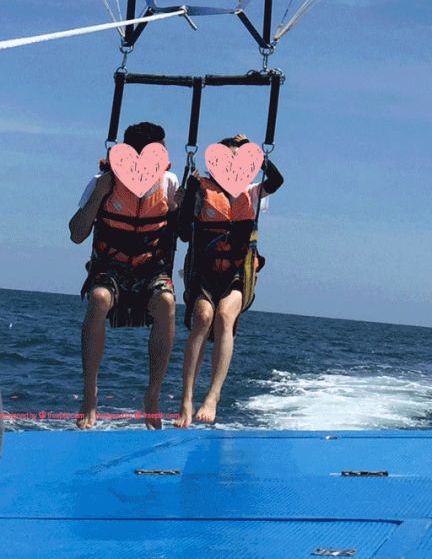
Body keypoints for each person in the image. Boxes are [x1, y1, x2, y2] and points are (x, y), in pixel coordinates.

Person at [68, 120, 180, 430]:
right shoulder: (101, 181)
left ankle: (153, 395)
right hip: (110, 266)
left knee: (167, 303)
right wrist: (99, 194)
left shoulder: (170, 183)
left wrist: (176, 208)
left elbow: (182, 234)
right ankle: (90, 395)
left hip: (149, 267)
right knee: (99, 298)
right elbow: (77, 234)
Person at [174, 134, 283, 426]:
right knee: (202, 316)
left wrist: (258, 153)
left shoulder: (253, 192)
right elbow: (184, 232)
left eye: (241, 160)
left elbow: (277, 181)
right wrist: (188, 196)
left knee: (223, 316)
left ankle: (213, 396)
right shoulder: (201, 188)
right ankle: (186, 398)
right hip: (203, 272)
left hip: (237, 273)